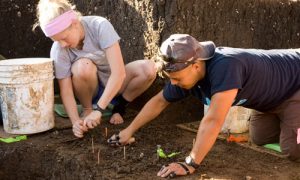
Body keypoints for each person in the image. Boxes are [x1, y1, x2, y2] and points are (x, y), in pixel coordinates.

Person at [108, 34, 300, 178]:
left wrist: (190, 163)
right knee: (259, 137)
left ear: (196, 66)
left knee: (292, 150)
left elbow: (214, 120)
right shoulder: (187, 77)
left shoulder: (226, 66)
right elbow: (159, 101)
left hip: (295, 89)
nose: (173, 83)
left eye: (175, 78)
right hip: (270, 101)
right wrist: (129, 130)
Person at [34, 0, 156, 138]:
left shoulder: (99, 26)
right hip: (89, 89)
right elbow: (66, 91)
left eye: (64, 38)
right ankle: (87, 109)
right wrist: (75, 122)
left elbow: (119, 73)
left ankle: (119, 107)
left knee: (148, 69)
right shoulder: (59, 49)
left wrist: (99, 109)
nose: (62, 44)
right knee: (83, 66)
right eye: (56, 40)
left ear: (74, 23)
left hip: (113, 84)